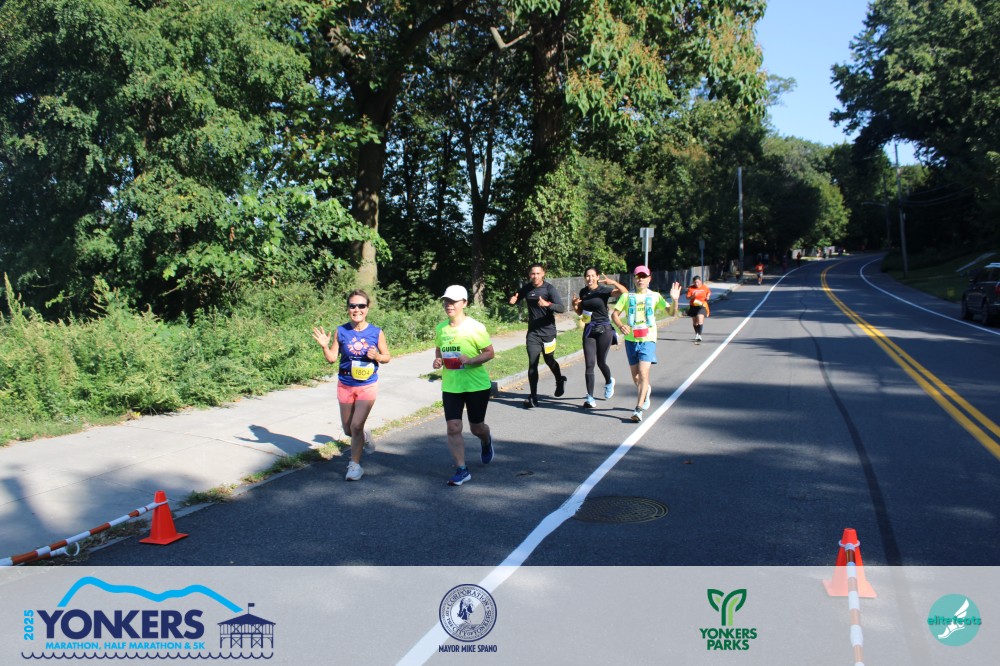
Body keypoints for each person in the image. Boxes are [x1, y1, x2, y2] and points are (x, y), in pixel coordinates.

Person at [312, 289, 390, 481]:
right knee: (348, 430)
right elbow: (332, 358)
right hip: (345, 384)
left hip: (367, 385)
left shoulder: (376, 332)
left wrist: (377, 356)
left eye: (361, 305)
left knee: (355, 425)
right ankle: (365, 435)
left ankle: (355, 466)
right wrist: (324, 346)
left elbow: (387, 356)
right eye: (352, 306)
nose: (357, 309)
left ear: (367, 308)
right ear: (348, 308)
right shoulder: (341, 331)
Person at [433, 285, 496, 486]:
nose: (449, 305)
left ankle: (486, 440)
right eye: (446, 301)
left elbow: (489, 352)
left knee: (477, 428)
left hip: (476, 385)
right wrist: (438, 360)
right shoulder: (441, 328)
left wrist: (470, 360)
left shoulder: (475, 327)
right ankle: (462, 469)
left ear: (464, 303)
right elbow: (439, 349)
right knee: (453, 427)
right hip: (451, 386)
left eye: (453, 301)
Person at [610, 266, 680, 423]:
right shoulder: (627, 297)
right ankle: (646, 390)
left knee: (643, 373)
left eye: (644, 276)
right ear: (634, 279)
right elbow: (614, 314)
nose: (640, 279)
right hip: (631, 340)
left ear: (649, 279)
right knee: (636, 377)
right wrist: (621, 325)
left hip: (648, 339)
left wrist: (675, 300)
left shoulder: (655, 296)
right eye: (638, 276)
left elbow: (672, 313)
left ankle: (638, 409)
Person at [508, 263, 567, 408]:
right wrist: (512, 301)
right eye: (533, 273)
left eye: (538, 273)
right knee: (533, 363)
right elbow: (516, 297)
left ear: (543, 274)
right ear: (530, 275)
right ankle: (533, 397)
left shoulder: (549, 289)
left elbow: (561, 308)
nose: (535, 276)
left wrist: (548, 304)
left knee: (549, 360)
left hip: (548, 332)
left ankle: (560, 379)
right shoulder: (527, 288)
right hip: (533, 333)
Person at [572, 268, 628, 409]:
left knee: (601, 362)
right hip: (589, 329)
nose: (590, 278)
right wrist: (575, 305)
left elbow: (624, 293)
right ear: (585, 278)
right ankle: (590, 398)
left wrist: (613, 282)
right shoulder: (583, 292)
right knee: (589, 364)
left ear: (597, 277)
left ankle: (609, 381)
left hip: (604, 329)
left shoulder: (603, 290)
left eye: (593, 276)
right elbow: (581, 313)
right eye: (587, 276)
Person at [686, 275, 712, 345]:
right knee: (695, 323)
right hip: (693, 306)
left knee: (700, 320)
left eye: (697, 282)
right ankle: (697, 333)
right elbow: (687, 298)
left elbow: (708, 292)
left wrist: (708, 296)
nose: (696, 284)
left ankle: (699, 335)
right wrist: (693, 296)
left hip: (701, 306)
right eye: (695, 282)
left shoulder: (704, 287)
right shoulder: (691, 288)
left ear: (700, 281)